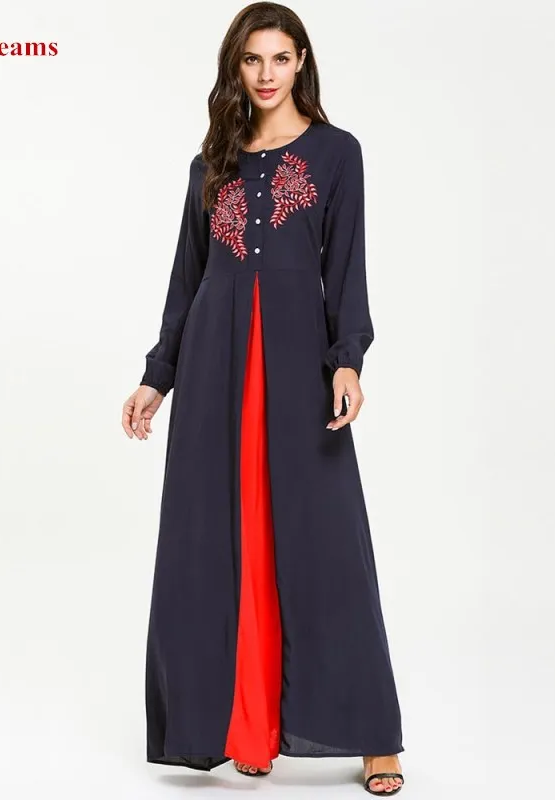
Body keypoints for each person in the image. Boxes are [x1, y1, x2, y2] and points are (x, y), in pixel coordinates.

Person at [122, 2, 405, 795]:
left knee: (325, 545)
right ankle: (249, 726)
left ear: (302, 61)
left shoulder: (336, 154)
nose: (267, 74)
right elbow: (188, 278)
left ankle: (375, 736)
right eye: (253, 60)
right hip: (214, 364)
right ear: (235, 68)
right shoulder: (210, 162)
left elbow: (346, 269)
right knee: (221, 542)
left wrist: (347, 361)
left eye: (281, 57)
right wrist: (157, 374)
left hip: (295, 363)